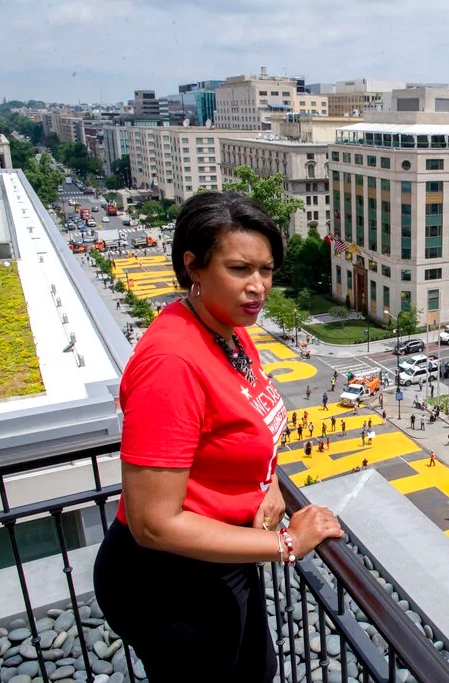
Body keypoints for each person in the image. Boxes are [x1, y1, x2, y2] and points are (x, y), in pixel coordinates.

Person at [93, 191, 344, 682]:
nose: (258, 287)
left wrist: (266, 483)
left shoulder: (229, 329)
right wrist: (288, 545)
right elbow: (154, 523)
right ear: (194, 267)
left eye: (266, 270)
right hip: (166, 580)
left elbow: (244, 426)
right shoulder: (172, 363)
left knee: (257, 671)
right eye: (239, 269)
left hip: (221, 554)